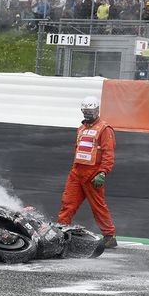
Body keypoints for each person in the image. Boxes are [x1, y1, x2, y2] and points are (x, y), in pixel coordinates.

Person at [58, 96, 118, 248]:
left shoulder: (105, 129)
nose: (87, 114)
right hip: (77, 172)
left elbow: (108, 153)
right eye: (85, 111)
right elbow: (77, 150)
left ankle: (109, 236)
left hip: (93, 173)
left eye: (90, 111)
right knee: (68, 203)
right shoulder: (81, 128)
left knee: (98, 206)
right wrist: (74, 169)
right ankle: (61, 231)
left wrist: (103, 172)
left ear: (97, 110)